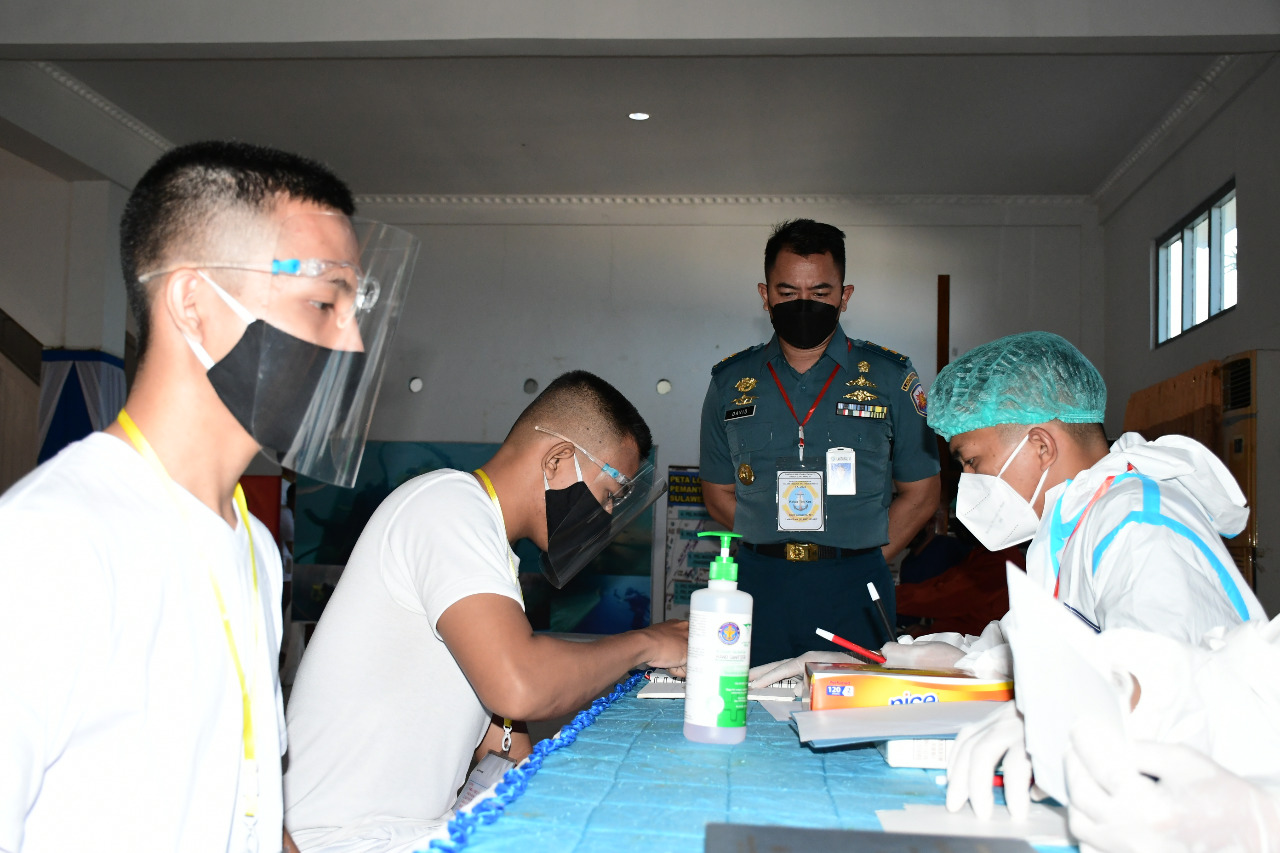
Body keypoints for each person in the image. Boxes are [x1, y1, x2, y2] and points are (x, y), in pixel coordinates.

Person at [0, 140, 419, 853]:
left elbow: (245, 802)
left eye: (356, 311)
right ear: (192, 302)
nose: (350, 345)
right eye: (324, 302)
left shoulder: (252, 544)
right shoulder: (52, 542)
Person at [283, 371, 688, 853]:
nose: (604, 517)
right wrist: (647, 643)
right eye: (608, 496)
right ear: (558, 460)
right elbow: (520, 686)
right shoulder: (448, 506)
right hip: (346, 840)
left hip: (404, 832)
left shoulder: (489, 552)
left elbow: (505, 742)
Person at [910, 331, 1265, 819]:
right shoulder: (1074, 525)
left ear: (1040, 446)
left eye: (972, 461)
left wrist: (1067, 714)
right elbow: (1067, 647)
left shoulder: (1137, 520)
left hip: (1216, 809)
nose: (967, 483)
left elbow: (1166, 676)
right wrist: (955, 659)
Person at [699, 218, 940, 666]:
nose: (804, 304)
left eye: (821, 292)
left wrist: (860, 554)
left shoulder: (890, 377)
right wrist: (771, 542)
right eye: (788, 292)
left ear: (845, 296)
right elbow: (717, 494)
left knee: (856, 705)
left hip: (856, 587)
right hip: (758, 585)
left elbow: (922, 493)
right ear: (765, 295)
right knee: (748, 698)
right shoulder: (730, 381)